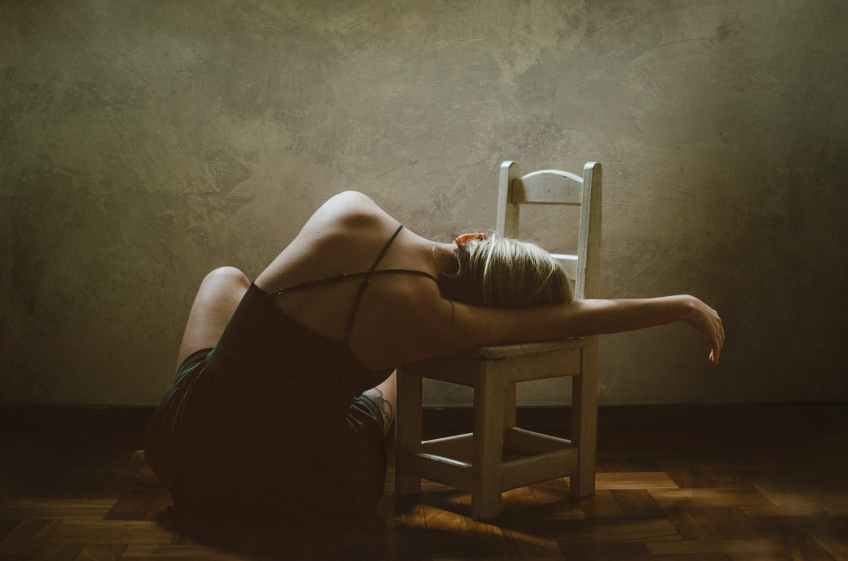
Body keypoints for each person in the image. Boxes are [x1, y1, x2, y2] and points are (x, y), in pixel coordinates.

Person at [144, 190, 724, 525]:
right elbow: (569, 319)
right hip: (297, 486)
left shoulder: (350, 208)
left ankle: (239, 399)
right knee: (393, 369)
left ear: (471, 239)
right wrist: (677, 305)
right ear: (487, 305)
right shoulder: (439, 322)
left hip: (186, 449)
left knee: (225, 278)